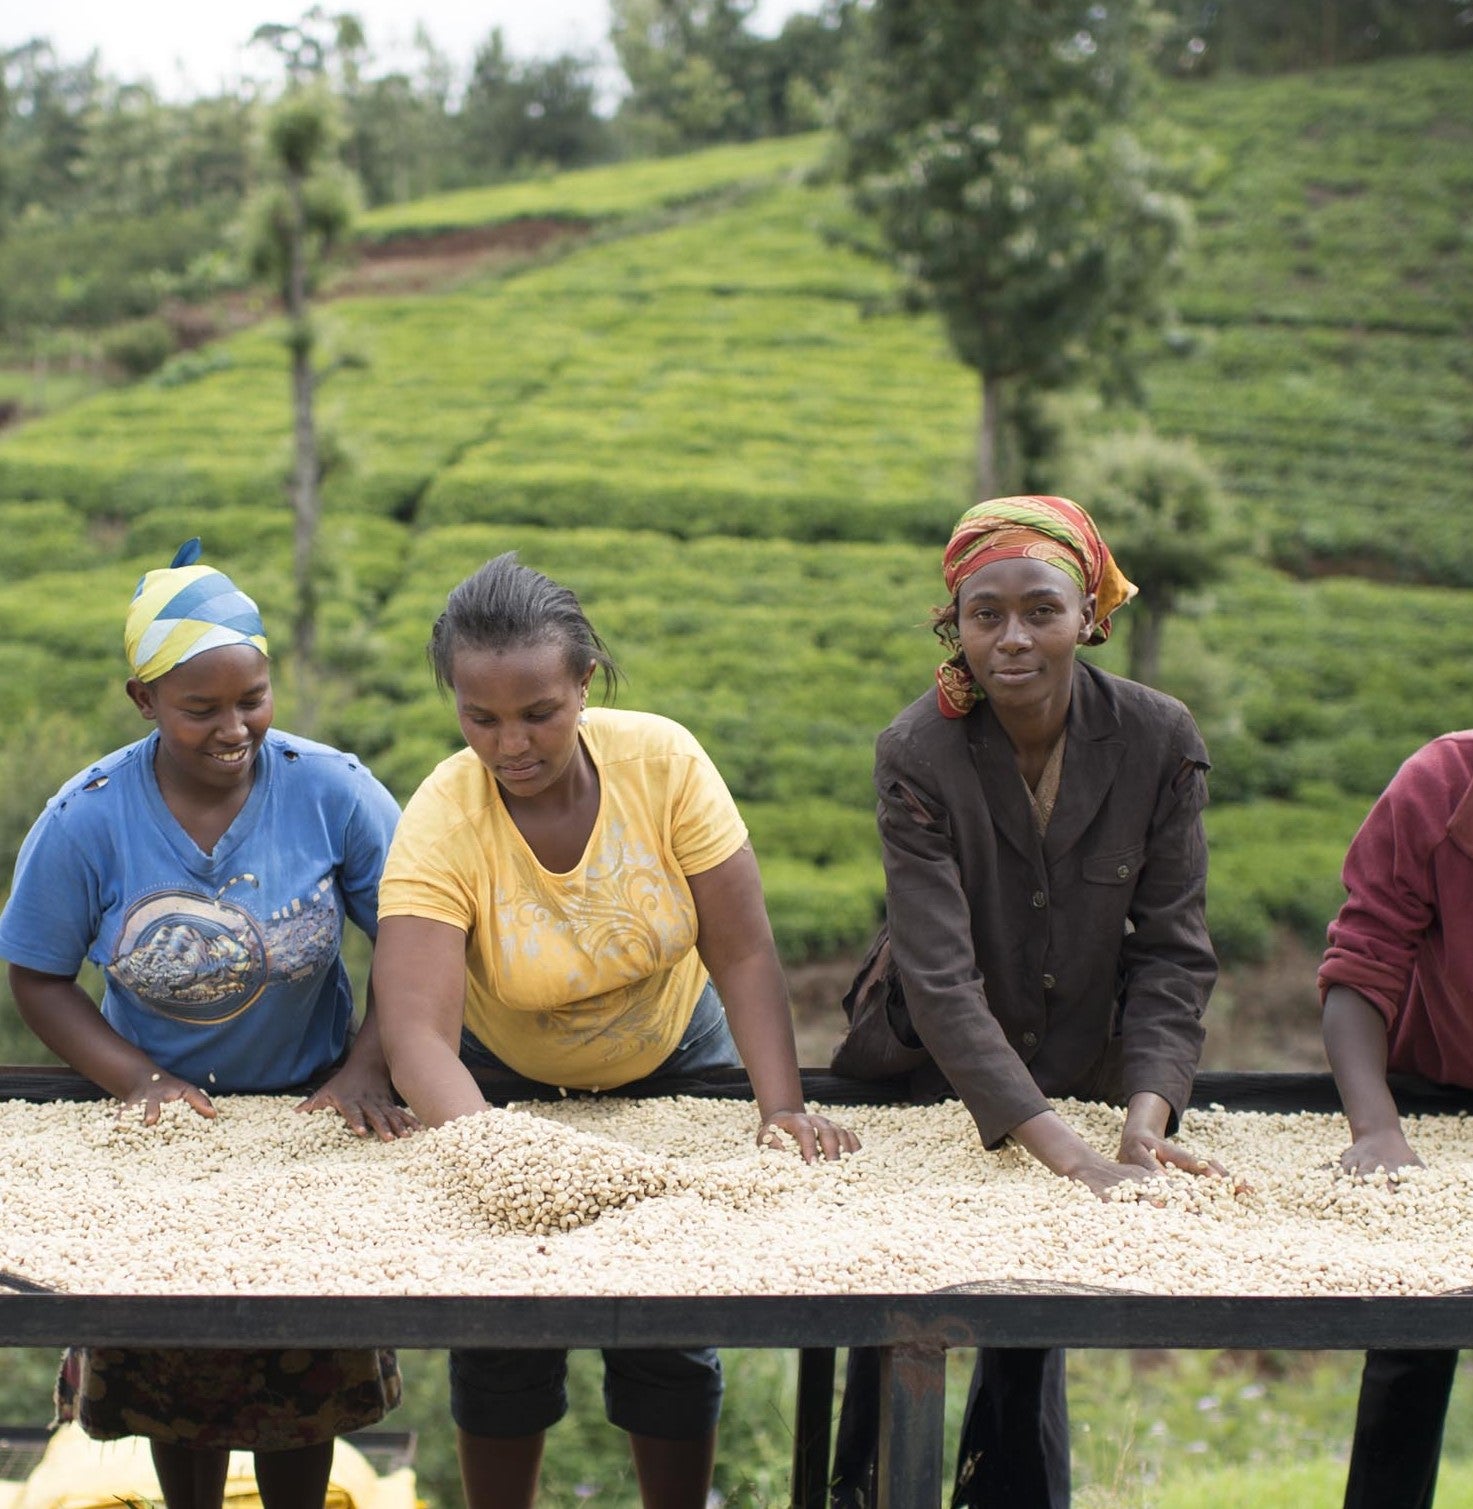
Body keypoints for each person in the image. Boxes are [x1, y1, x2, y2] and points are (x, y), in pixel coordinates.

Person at [370, 551, 857, 1509]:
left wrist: (782, 1105)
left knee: (670, 1314)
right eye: (482, 718)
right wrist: (499, 1155)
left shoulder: (662, 764)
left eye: (539, 712)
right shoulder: (443, 814)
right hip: (503, 1080)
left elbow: (745, 952)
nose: (511, 743)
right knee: (503, 1321)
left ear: (583, 681)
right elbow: (418, 1034)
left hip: (675, 1054)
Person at [828, 494, 1222, 1509]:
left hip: (1083, 1058)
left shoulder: (1156, 737)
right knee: (903, 1308)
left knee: (1025, 1327)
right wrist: (1068, 1154)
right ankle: (868, 1490)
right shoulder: (917, 751)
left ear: (1089, 614)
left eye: (1040, 610)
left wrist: (1143, 1121)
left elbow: (1174, 952)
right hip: (934, 1065)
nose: (1013, 638)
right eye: (985, 613)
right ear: (952, 626)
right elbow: (941, 981)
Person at [0, 539, 410, 1509]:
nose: (236, 728)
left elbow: (417, 942)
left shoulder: (332, 792)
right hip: (164, 1140)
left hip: (311, 1127)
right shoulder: (87, 821)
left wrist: (364, 1071)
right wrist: (139, 1082)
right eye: (202, 709)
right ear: (142, 700)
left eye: (253, 699)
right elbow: (40, 977)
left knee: (303, 1378)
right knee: (171, 1381)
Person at [1320, 731, 1473, 1509]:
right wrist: (1375, 1127)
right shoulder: (1440, 782)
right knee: (1416, 1332)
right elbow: (1363, 957)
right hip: (1440, 1098)